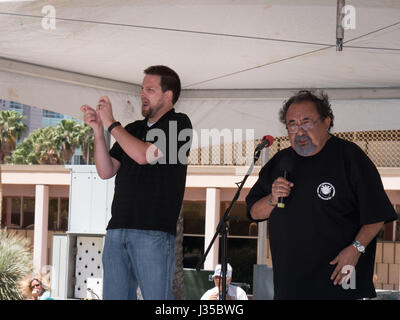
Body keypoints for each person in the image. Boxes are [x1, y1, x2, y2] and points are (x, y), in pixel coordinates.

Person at [246, 90, 397, 300]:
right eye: (292, 124)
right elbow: (254, 211)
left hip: (338, 284)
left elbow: (377, 213)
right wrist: (272, 199)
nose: (299, 131)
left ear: (327, 122)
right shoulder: (281, 161)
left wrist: (356, 249)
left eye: (306, 122)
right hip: (290, 286)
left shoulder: (350, 157)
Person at [81, 65, 192, 300]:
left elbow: (145, 156)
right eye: (142, 89)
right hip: (117, 229)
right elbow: (105, 170)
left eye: (150, 90)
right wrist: (99, 131)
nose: (142, 94)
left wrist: (112, 124)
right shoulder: (132, 129)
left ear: (168, 95)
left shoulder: (179, 123)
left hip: (153, 232)